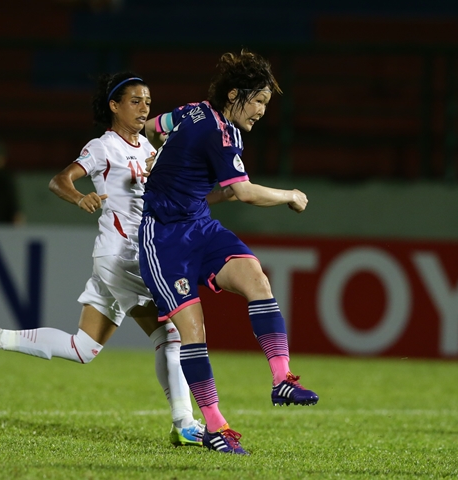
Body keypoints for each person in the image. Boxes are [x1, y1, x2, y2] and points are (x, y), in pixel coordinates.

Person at [0, 72, 236, 447]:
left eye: (147, 101)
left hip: (128, 255)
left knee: (84, 348)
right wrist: (80, 198)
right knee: (171, 334)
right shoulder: (103, 147)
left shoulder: (148, 149)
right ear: (114, 105)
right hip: (123, 255)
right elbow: (60, 179)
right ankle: (184, 422)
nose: (144, 108)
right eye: (135, 100)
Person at [140, 49, 319, 455]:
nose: (260, 110)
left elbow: (151, 127)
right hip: (164, 238)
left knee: (256, 277)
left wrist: (153, 156)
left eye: (265, 104)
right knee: (194, 331)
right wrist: (289, 194)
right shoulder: (219, 132)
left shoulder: (193, 112)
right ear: (235, 94)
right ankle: (216, 426)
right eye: (257, 101)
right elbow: (243, 192)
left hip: (199, 226)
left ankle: (282, 380)